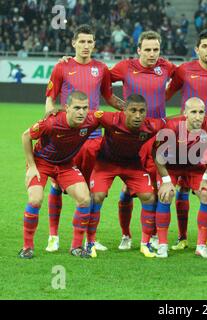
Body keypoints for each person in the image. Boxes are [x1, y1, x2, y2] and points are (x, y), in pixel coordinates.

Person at [44, 24, 124, 253]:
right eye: (82, 42)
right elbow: (50, 97)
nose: (86, 46)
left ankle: (90, 238)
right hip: (67, 138)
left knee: (91, 190)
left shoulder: (101, 69)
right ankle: (53, 236)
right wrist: (50, 116)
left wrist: (129, 111)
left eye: (90, 42)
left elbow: (109, 97)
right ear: (73, 43)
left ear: (94, 44)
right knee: (57, 184)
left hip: (93, 137)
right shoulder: (62, 66)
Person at [110, 30, 177, 249]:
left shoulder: (166, 67)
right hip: (133, 136)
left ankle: (155, 234)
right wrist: (121, 106)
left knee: (158, 188)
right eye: (147, 50)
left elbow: (183, 77)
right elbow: (102, 82)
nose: (151, 54)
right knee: (128, 188)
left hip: (159, 135)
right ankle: (126, 234)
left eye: (155, 49)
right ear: (138, 50)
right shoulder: (125, 67)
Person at [19, 91, 100, 259]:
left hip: (65, 165)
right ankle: (27, 247)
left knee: (85, 199)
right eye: (77, 108)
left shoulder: (91, 120)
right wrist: (32, 166)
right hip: (42, 162)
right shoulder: (51, 122)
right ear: (67, 108)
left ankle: (76, 247)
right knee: (35, 199)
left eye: (85, 108)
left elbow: (116, 118)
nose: (81, 112)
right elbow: (26, 136)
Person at [165, 30, 207, 252]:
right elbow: (166, 93)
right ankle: (182, 237)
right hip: (184, 136)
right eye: (205, 46)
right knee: (181, 188)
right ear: (196, 49)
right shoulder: (184, 70)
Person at [88, 94, 165, 258]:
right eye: (133, 110)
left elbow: (173, 122)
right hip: (106, 164)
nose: (138, 115)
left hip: (132, 165)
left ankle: (146, 244)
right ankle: (90, 242)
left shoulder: (151, 126)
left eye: (142, 111)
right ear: (124, 110)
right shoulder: (110, 119)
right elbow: (88, 115)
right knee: (97, 196)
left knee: (149, 197)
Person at [153, 97, 207, 259]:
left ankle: (201, 246)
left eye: (201, 112)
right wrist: (166, 181)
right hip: (170, 167)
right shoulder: (171, 127)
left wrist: (206, 177)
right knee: (166, 194)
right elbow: (157, 156)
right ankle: (162, 245)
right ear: (185, 113)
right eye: (193, 112)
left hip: (195, 168)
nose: (198, 117)